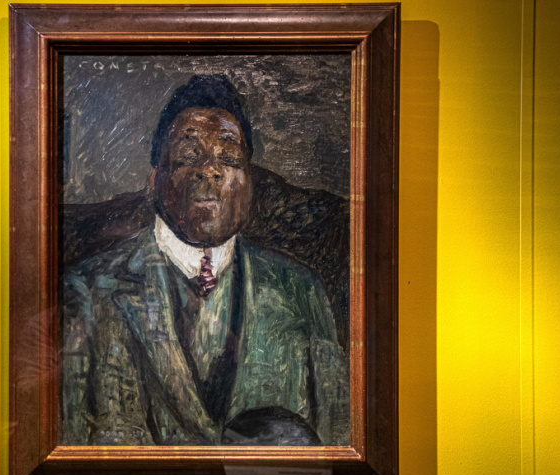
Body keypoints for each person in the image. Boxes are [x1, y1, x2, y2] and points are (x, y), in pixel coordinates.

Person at [61, 75, 349, 446]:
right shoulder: (86, 290)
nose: (209, 169)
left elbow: (340, 438)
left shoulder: (301, 292)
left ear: (249, 179)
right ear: (154, 177)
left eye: (228, 158)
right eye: (188, 156)